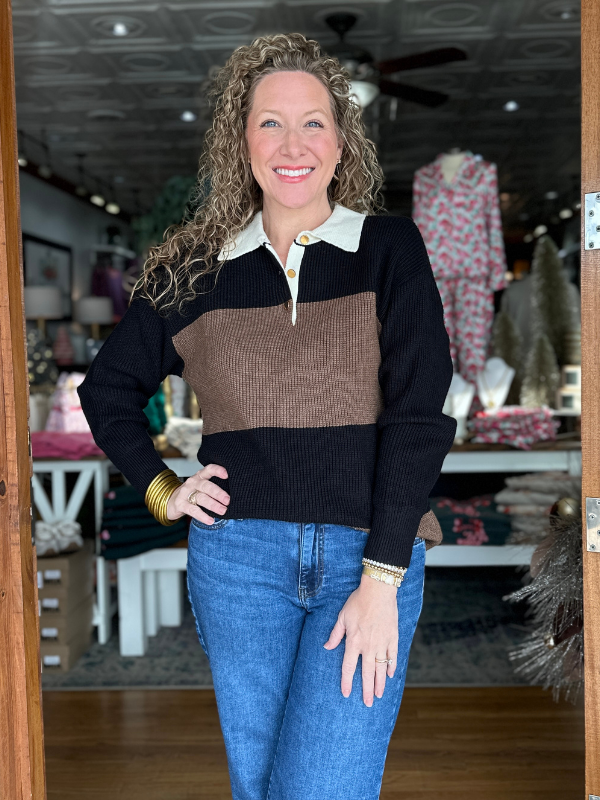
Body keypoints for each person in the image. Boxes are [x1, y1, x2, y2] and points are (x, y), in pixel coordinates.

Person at [78, 32, 456, 800]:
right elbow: (107, 390)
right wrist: (162, 488)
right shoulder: (193, 269)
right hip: (239, 562)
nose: (293, 143)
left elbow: (418, 416)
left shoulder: (388, 248)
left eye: (314, 121)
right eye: (271, 122)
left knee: (322, 786)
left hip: (369, 558)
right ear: (239, 137)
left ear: (342, 140)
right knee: (259, 787)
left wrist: (383, 577)